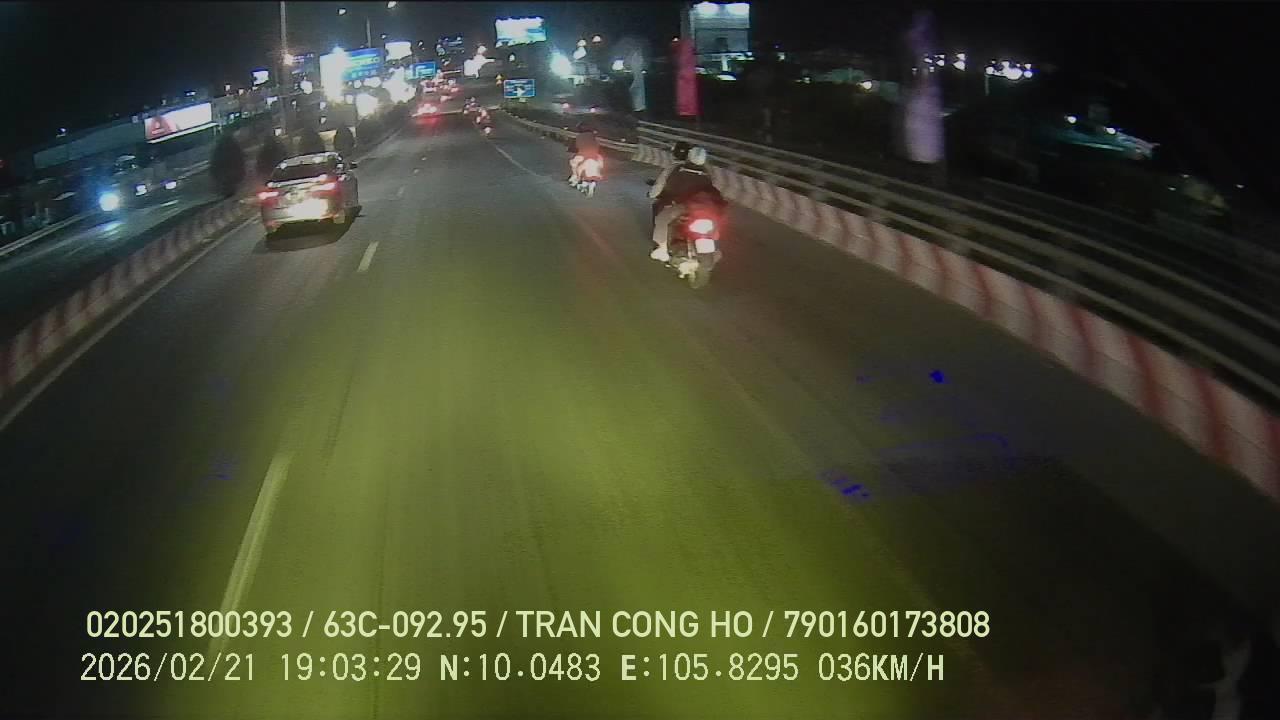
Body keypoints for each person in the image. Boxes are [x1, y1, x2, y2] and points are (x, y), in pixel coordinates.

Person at [648, 146, 725, 262]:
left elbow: (660, 184)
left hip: (681, 206)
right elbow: (713, 190)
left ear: (689, 156)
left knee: (662, 218)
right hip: (703, 208)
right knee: (715, 224)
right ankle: (714, 248)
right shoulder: (708, 173)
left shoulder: (676, 168)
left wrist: (652, 195)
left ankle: (662, 248)